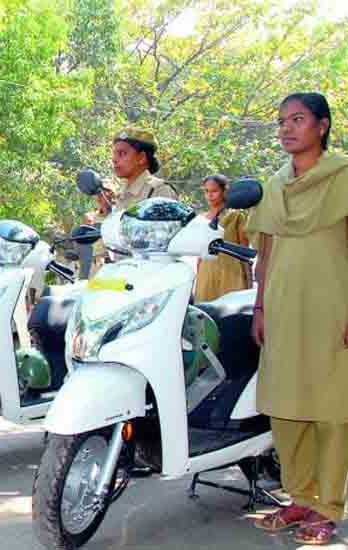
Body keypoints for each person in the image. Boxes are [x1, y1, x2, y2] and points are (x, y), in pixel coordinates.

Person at [248, 93, 348, 545]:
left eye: (298, 119)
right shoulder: (274, 184)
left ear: (323, 126)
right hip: (283, 308)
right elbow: (265, 252)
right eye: (282, 121)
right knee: (287, 408)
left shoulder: (343, 176)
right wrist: (260, 307)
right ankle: (300, 498)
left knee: (332, 409)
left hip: (333, 307)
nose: (287, 128)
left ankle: (328, 507)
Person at [193, 175, 251, 302]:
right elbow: (199, 255)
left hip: (231, 273)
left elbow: (244, 251)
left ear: (224, 192)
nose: (210, 195)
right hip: (206, 274)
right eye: (207, 191)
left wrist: (248, 280)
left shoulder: (236, 216)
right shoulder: (201, 219)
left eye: (214, 191)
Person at [110, 128, 176, 212]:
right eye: (114, 154)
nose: (114, 159)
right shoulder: (122, 194)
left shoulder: (159, 191)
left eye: (122, 153)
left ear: (141, 158)